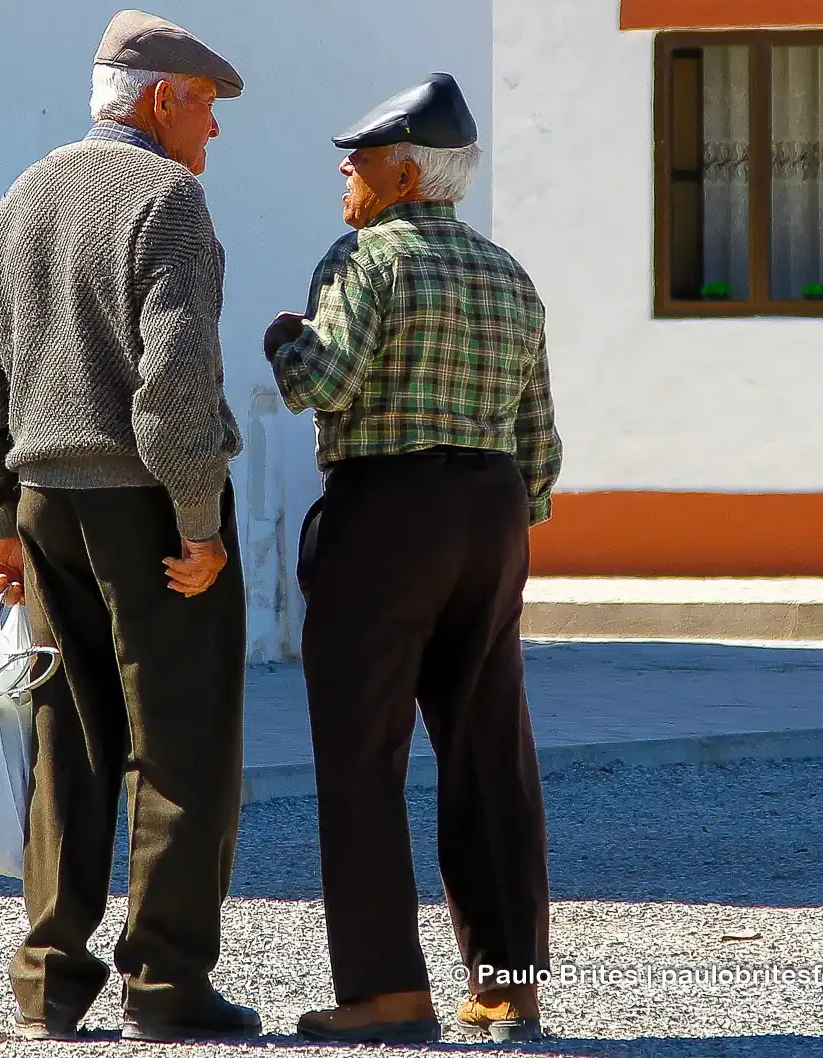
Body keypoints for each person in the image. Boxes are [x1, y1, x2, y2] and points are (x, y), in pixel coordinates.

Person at [0, 10, 259, 1043]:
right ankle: (167, 987)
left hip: (45, 506)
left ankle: (49, 981)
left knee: (69, 740)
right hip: (146, 507)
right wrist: (199, 523)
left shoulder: (21, 199)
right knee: (183, 746)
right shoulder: (167, 202)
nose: (211, 136)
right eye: (207, 110)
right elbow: (176, 388)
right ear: (163, 98)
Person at [267, 73, 561, 1046]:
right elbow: (542, 446)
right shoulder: (508, 274)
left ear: (402, 175)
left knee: (363, 755)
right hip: (493, 512)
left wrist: (283, 342)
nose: (345, 175)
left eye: (358, 162)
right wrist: (507, 526)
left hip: (388, 513)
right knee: (489, 752)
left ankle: (387, 990)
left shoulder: (366, 262)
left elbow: (328, 377)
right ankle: (507, 983)